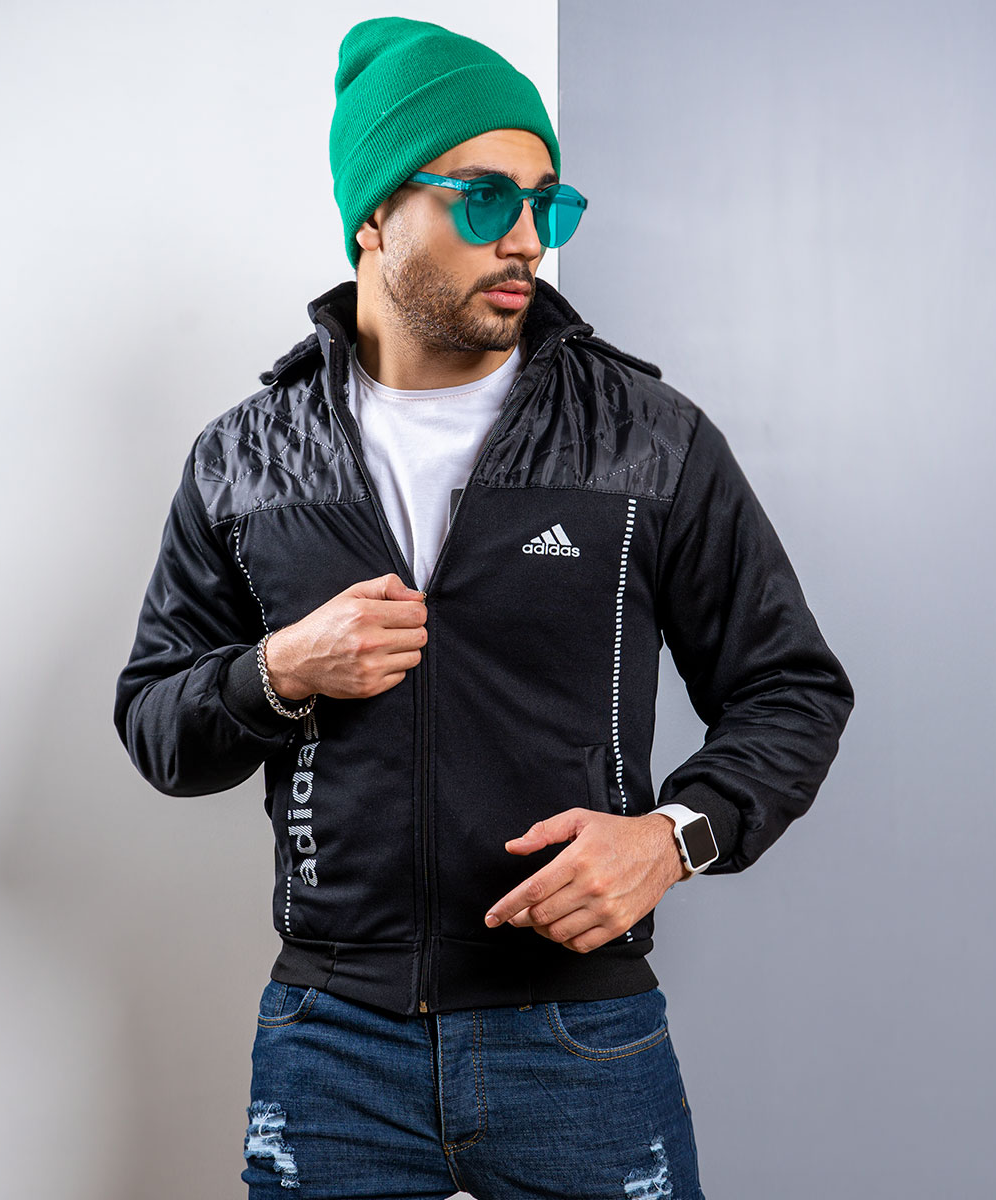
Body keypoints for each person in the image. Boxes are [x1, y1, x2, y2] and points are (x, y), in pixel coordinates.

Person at [114, 16, 854, 1200]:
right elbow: (158, 725)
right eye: (484, 198)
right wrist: (279, 671)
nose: (525, 238)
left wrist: (672, 838)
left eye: (546, 204)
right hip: (331, 1044)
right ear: (375, 216)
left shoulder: (643, 437)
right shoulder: (246, 460)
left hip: (579, 1039)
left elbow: (791, 689)